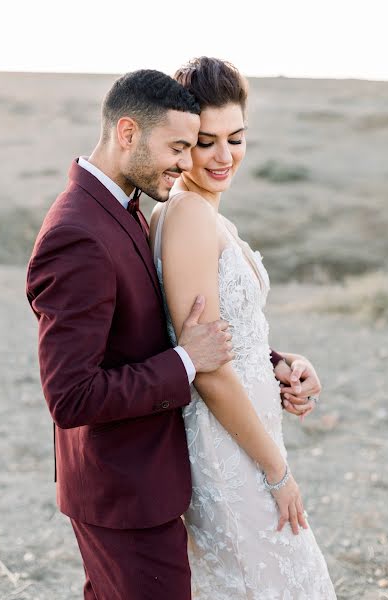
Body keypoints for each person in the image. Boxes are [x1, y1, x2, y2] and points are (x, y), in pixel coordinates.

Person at [26, 70, 236, 600]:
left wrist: (267, 358)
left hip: (142, 483)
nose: (188, 163)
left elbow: (151, 320)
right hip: (123, 493)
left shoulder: (122, 207)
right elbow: (71, 396)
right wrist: (187, 363)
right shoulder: (77, 233)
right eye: (178, 147)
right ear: (127, 133)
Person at [150, 57, 336, 598]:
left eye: (236, 137)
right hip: (228, 448)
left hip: (247, 437)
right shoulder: (187, 216)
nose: (224, 156)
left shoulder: (208, 215)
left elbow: (231, 334)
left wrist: (282, 364)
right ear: (180, 141)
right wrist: (278, 472)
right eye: (206, 141)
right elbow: (206, 371)